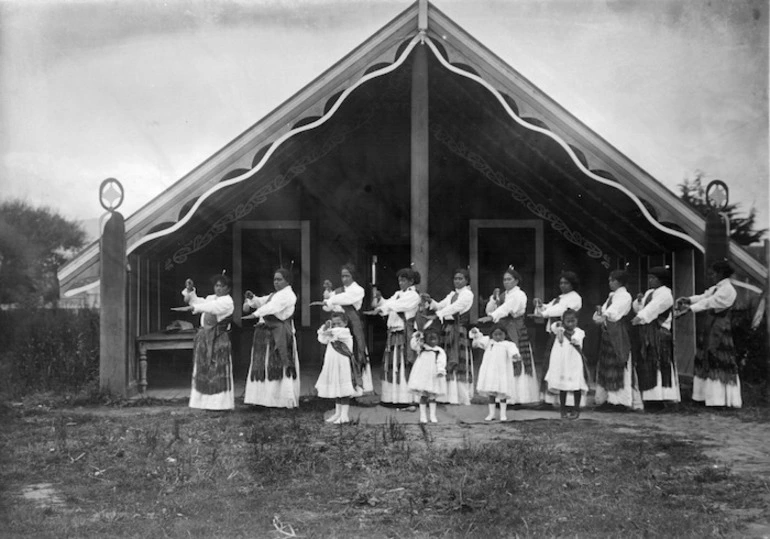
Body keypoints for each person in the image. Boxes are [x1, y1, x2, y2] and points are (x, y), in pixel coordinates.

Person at [676, 260, 741, 408]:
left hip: (720, 328)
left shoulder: (728, 290)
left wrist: (689, 309)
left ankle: (719, 400)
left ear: (720, 274)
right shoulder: (717, 287)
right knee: (705, 358)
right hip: (710, 326)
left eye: (712, 274)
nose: (710, 277)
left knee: (717, 359)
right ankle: (702, 396)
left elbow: (710, 302)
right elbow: (704, 297)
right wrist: (689, 300)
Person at [479, 266, 539, 405]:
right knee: (501, 361)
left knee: (515, 358)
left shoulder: (519, 295)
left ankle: (517, 398)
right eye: (504, 279)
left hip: (514, 329)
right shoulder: (503, 295)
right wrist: (494, 300)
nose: (506, 282)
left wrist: (493, 316)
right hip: (503, 328)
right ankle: (502, 396)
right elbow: (491, 309)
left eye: (509, 279)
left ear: (516, 281)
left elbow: (508, 308)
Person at [242, 268, 301, 408]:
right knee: (264, 363)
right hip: (266, 334)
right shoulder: (275, 294)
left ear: (288, 281)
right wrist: (253, 299)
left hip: (279, 333)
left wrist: (255, 315)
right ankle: (263, 400)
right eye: (274, 279)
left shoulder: (288, 295)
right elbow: (263, 302)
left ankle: (281, 400)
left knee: (279, 364)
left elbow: (272, 307)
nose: (276, 282)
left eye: (279, 279)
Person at [180, 274, 235, 410]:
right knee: (204, 369)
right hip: (205, 337)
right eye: (216, 285)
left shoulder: (227, 302)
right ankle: (204, 403)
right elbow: (198, 302)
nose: (218, 288)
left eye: (222, 286)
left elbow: (211, 307)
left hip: (218, 339)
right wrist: (191, 290)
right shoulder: (211, 298)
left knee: (217, 369)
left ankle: (220, 405)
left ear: (228, 289)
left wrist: (195, 308)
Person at [423, 268, 475, 405]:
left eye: (460, 278)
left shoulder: (467, 294)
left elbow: (456, 307)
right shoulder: (452, 294)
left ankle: (460, 396)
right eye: (455, 278)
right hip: (447, 329)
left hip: (458, 329)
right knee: (445, 358)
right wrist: (431, 301)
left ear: (467, 280)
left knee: (458, 360)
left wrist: (439, 314)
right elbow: (440, 306)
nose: (457, 281)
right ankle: (446, 396)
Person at [631, 266, 680, 409]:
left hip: (659, 332)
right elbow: (642, 309)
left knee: (659, 363)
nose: (650, 281)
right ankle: (649, 397)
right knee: (647, 363)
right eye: (649, 278)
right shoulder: (649, 292)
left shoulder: (666, 294)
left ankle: (660, 399)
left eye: (653, 278)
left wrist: (639, 317)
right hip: (647, 332)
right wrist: (639, 303)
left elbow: (654, 308)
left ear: (661, 280)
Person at [370, 267, 421, 404]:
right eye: (399, 280)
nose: (401, 283)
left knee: (403, 363)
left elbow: (397, 306)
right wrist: (381, 301)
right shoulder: (398, 293)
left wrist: (382, 308)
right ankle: (392, 398)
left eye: (403, 280)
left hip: (404, 333)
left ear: (411, 281)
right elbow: (389, 303)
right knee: (392, 365)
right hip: (393, 332)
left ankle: (407, 398)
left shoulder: (413, 296)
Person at [593, 270, 642, 411]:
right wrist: (600, 315)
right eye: (609, 280)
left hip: (619, 332)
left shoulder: (625, 296)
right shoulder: (612, 296)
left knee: (619, 363)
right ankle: (608, 398)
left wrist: (603, 315)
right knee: (607, 364)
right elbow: (599, 313)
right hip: (608, 332)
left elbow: (613, 313)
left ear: (619, 282)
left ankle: (620, 401)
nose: (610, 282)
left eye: (612, 280)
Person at [322, 264, 373, 396]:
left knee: (355, 352)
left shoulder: (358, 290)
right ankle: (343, 389)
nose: (344, 279)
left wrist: (331, 299)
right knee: (339, 355)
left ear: (353, 276)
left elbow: (345, 299)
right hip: (339, 325)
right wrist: (327, 296)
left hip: (351, 324)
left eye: (347, 276)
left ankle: (358, 388)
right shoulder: (338, 290)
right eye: (342, 276)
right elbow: (327, 307)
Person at [533, 270, 583, 406]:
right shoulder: (560, 297)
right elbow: (549, 307)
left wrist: (545, 314)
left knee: (564, 365)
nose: (563, 285)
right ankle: (549, 399)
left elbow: (561, 310)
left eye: (566, 283)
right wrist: (540, 305)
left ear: (573, 284)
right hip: (554, 333)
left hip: (566, 336)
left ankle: (568, 401)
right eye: (561, 283)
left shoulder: (574, 298)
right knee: (551, 364)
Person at [470, 324, 520, 422]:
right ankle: (491, 414)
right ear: (491, 335)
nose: (498, 337)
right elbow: (478, 340)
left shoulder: (508, 344)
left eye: (500, 334)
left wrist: (515, 356)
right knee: (491, 392)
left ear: (505, 334)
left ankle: (503, 414)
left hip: (502, 371)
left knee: (502, 392)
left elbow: (513, 352)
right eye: (495, 335)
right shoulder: (489, 342)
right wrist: (475, 332)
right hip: (490, 371)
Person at [544, 309, 589, 419]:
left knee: (576, 385)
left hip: (574, 362)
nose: (570, 324)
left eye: (572, 321)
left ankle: (576, 409)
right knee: (563, 386)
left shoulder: (579, 332)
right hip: (563, 363)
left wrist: (574, 339)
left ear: (576, 321)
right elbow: (553, 327)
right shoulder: (560, 330)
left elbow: (577, 338)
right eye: (567, 321)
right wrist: (559, 326)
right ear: (563, 321)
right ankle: (563, 409)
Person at [315, 312, 357, 423]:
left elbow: (328, 332)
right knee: (337, 388)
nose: (337, 325)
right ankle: (338, 413)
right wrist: (325, 327)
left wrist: (326, 327)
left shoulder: (345, 332)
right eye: (334, 323)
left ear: (345, 323)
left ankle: (344, 415)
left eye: (339, 323)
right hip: (332, 363)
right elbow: (322, 339)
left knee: (344, 389)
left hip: (342, 364)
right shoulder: (333, 333)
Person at [407, 326, 447, 423]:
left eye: (435, 339)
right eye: (430, 339)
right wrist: (416, 337)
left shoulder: (439, 351)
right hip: (423, 375)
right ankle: (423, 416)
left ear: (438, 340)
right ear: (425, 340)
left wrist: (441, 370)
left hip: (433, 375)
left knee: (433, 396)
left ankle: (432, 416)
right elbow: (413, 345)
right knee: (424, 396)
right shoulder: (421, 348)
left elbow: (442, 361)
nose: (433, 341)